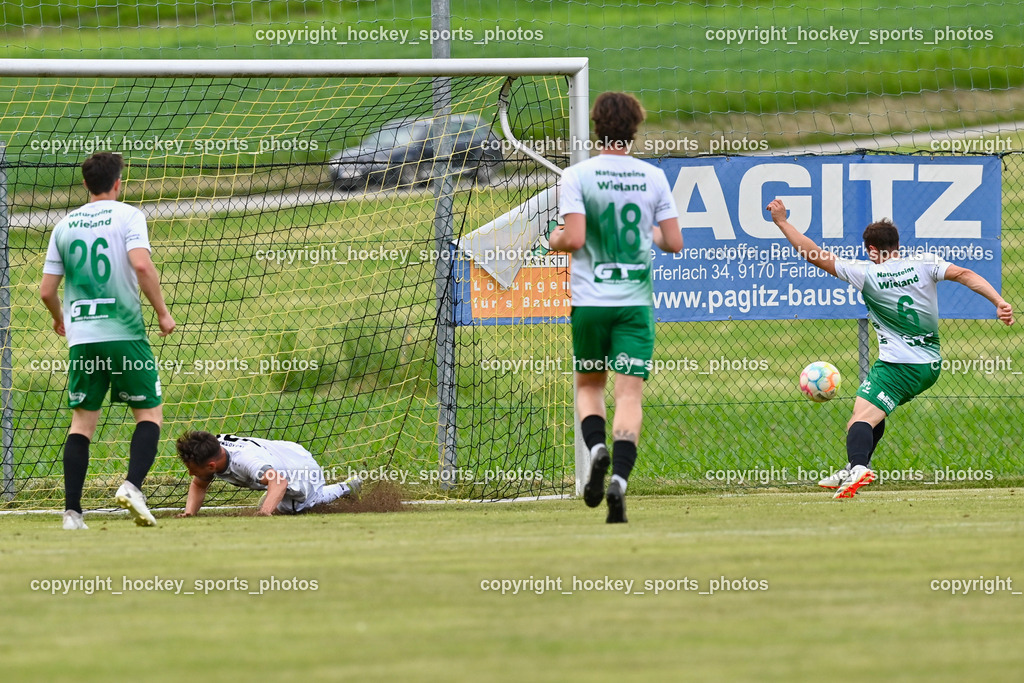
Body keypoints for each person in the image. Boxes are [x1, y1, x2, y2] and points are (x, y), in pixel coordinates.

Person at [767, 198, 1014, 499]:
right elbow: (964, 274)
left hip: (901, 366)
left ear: (872, 250)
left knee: (860, 421)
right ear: (897, 245)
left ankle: (859, 468)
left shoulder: (866, 273)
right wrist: (998, 301)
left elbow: (813, 254)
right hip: (926, 363)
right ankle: (852, 467)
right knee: (867, 412)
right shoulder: (924, 263)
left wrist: (782, 222)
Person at [548, 92, 683, 523]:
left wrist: (553, 238)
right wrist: (649, 234)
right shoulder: (653, 177)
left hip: (591, 302)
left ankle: (596, 448)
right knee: (629, 394)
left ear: (597, 128)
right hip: (634, 303)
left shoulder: (577, 175)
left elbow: (573, 238)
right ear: (635, 129)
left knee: (589, 387)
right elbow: (674, 242)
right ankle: (619, 481)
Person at [41, 152, 176, 530]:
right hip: (124, 333)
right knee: (149, 415)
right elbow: (142, 264)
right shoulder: (129, 216)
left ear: (86, 184)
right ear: (118, 182)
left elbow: (47, 291)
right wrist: (163, 313)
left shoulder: (63, 225)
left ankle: (72, 513)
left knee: (82, 423)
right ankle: (132, 487)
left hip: (82, 339)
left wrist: (60, 319)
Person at [175, 431, 363, 516]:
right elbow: (199, 484)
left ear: (211, 465)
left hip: (300, 468)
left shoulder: (246, 462)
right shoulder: (212, 453)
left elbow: (279, 482)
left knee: (298, 508)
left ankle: (347, 486)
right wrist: (189, 513)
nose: (190, 473)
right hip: (282, 455)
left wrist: (264, 513)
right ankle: (277, 499)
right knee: (275, 502)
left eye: (193, 469)